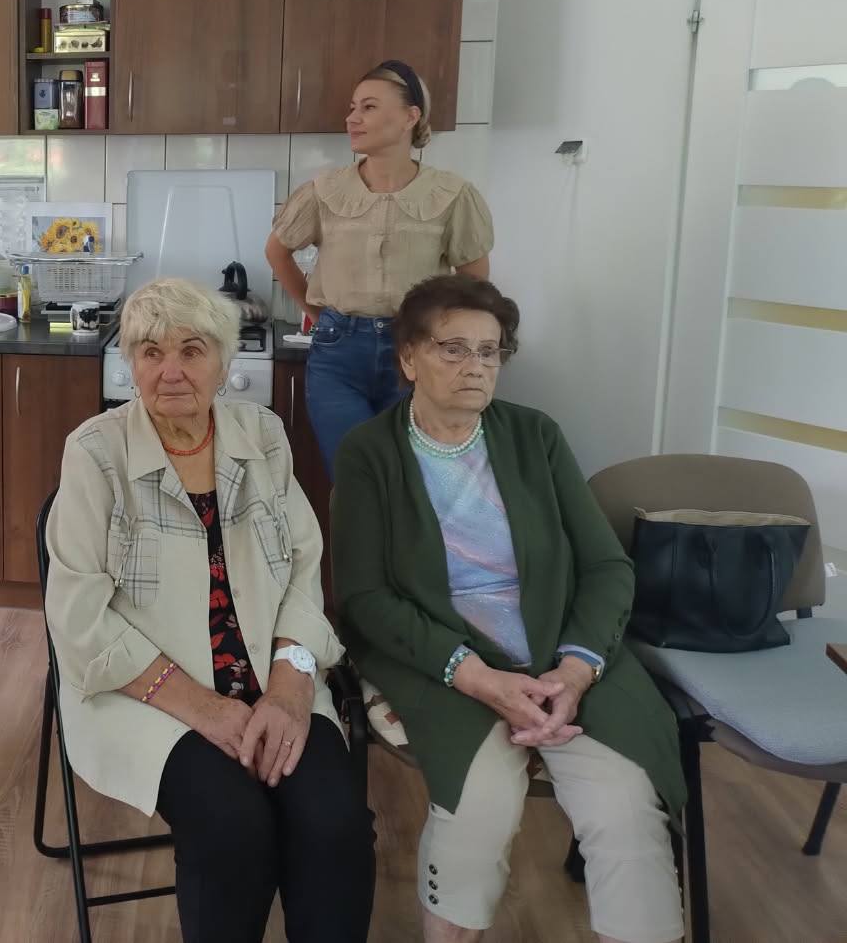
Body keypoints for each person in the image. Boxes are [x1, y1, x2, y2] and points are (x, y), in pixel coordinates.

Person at [332, 274, 685, 943]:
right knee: (480, 803)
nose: (475, 366)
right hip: (438, 651)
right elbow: (364, 596)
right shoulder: (369, 453)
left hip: (557, 647)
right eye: (453, 348)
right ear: (409, 358)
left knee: (625, 806)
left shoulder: (535, 436)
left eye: (489, 352)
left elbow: (607, 566)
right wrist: (478, 677)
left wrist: (574, 671)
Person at [46, 278, 374, 943]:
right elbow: (78, 619)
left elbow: (304, 568)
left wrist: (290, 685)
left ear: (225, 363)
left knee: (334, 821)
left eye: (192, 350)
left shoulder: (264, 436)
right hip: (145, 691)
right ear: (130, 364)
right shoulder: (96, 453)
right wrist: (204, 708)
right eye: (150, 351)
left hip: (272, 676)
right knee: (232, 825)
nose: (170, 371)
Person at [265, 60, 494, 477]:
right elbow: (277, 252)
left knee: (411, 477)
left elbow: (474, 282)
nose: (352, 118)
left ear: (410, 116)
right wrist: (316, 312)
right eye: (353, 107)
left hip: (417, 351)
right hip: (338, 353)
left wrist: (449, 342)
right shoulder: (325, 190)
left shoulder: (451, 194)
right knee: (352, 476)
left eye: (368, 107)